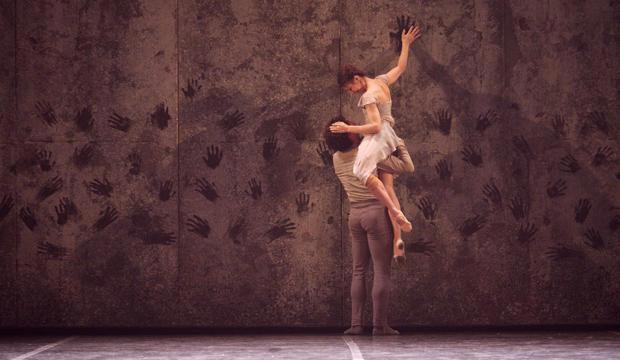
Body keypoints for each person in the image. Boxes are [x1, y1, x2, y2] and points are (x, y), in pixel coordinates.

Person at [331, 24, 422, 260]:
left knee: (361, 171)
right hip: (391, 136)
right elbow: (400, 67)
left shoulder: (367, 96)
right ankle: (398, 239)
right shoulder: (380, 81)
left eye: (350, 87)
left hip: (380, 137)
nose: (351, 92)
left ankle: (395, 214)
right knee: (388, 187)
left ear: (357, 78)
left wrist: (347, 127)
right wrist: (406, 44)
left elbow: (375, 126)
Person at [324, 116, 414, 335]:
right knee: (382, 271)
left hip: (355, 214)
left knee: (358, 271)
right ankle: (379, 325)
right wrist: (397, 140)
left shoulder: (337, 158)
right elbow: (406, 166)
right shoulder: (369, 154)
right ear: (352, 135)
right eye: (351, 126)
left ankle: (355, 324)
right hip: (375, 213)